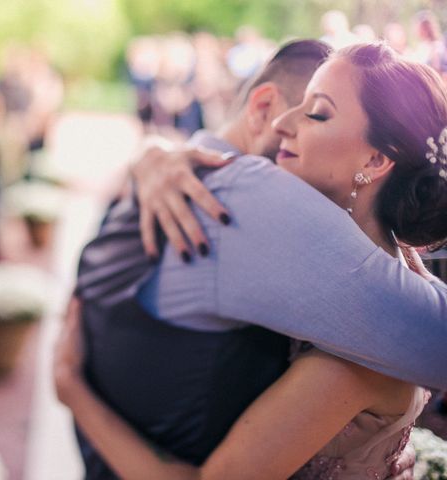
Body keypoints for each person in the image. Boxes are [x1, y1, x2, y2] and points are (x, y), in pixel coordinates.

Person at [58, 42, 447, 479]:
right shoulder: (392, 266)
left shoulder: (360, 345)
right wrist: (150, 153)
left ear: (375, 159)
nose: (284, 124)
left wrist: (74, 392)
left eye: (316, 112)